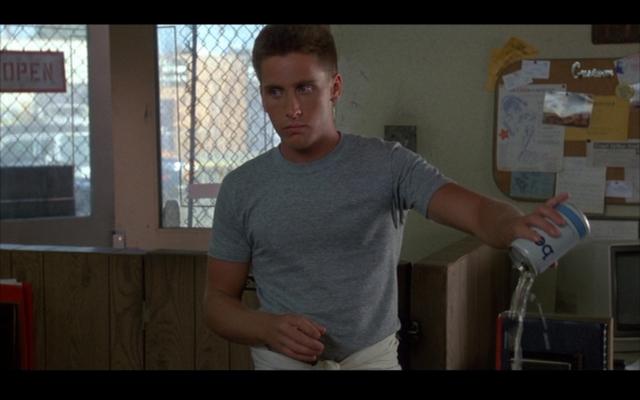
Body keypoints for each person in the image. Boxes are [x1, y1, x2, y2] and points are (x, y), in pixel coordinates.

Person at [204, 25, 568, 370]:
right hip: (281, 362)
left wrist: (514, 224)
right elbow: (217, 301)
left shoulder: (387, 164)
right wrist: (265, 327)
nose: (292, 108)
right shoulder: (242, 187)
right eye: (275, 92)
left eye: (305, 88)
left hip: (371, 359)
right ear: (262, 96)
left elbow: (475, 212)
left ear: (334, 88)